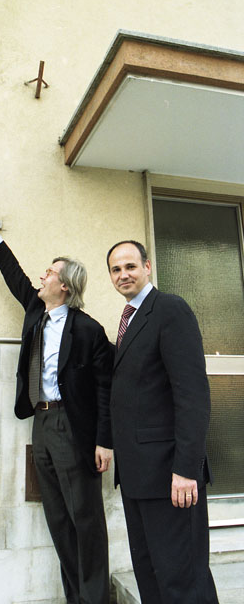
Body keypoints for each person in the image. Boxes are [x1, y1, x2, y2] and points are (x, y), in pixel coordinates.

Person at [0, 196, 114, 604]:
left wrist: (105, 441)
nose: (41, 276)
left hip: (74, 427)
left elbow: (105, 389)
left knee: (86, 519)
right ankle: (76, 597)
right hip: (42, 422)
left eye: (49, 273)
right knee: (58, 519)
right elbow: (12, 272)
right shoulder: (36, 310)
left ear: (64, 286)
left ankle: (96, 599)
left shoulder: (88, 330)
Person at [106, 240, 219, 604]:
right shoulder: (130, 319)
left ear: (148, 267)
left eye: (130, 266)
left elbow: (192, 396)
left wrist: (186, 469)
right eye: (116, 269)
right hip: (137, 477)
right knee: (151, 576)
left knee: (183, 582)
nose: (123, 274)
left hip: (171, 477)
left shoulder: (170, 309)